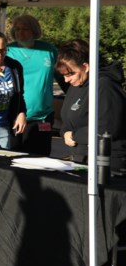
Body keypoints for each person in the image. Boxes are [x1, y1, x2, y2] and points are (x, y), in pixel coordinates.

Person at [56, 39, 126, 171]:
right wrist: (64, 132)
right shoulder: (77, 84)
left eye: (70, 74)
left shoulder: (105, 85)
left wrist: (74, 135)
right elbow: (68, 117)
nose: (66, 79)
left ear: (86, 67)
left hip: (107, 162)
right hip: (82, 158)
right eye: (63, 75)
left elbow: (107, 127)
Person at [7, 14, 60, 156]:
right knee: (16, 157)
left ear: (34, 31)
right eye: (17, 29)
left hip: (43, 117)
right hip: (15, 116)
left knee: (41, 156)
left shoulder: (48, 50)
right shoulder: (8, 51)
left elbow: (63, 75)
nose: (20, 32)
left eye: (25, 29)